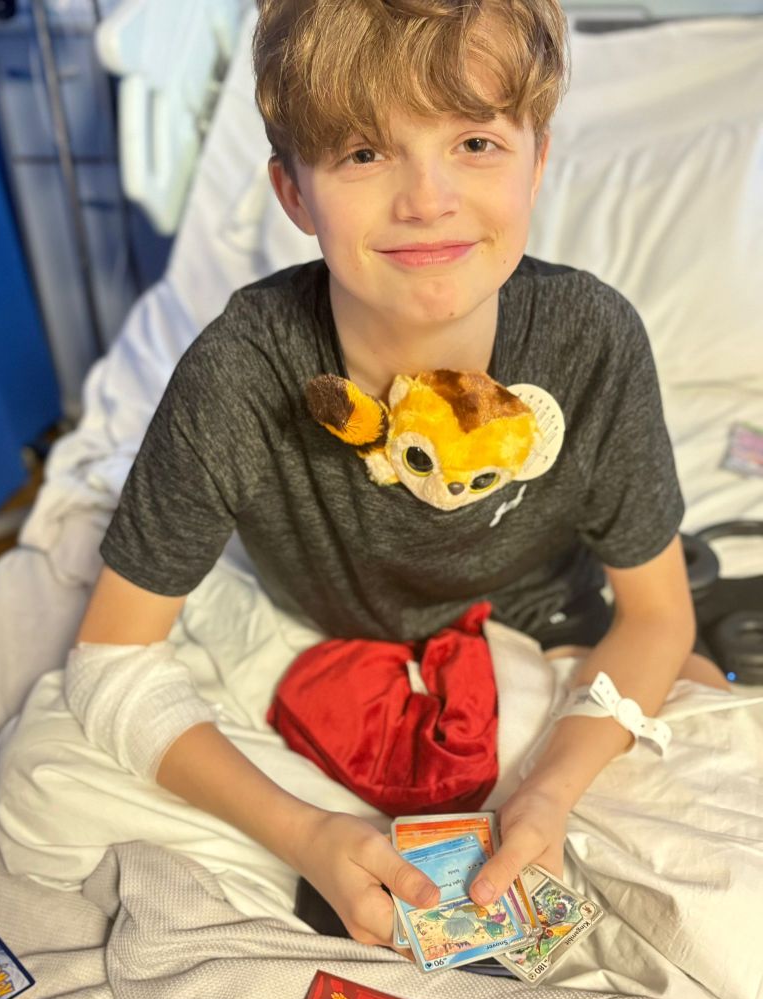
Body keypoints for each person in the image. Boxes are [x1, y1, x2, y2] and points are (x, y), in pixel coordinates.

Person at [68, 0, 729, 951]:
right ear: (293, 194)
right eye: (364, 153)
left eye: (473, 142)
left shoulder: (593, 339)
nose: (427, 199)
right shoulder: (238, 374)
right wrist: (305, 834)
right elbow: (109, 663)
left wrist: (547, 793)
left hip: (545, 626)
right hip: (329, 644)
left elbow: (657, 614)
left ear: (538, 158)